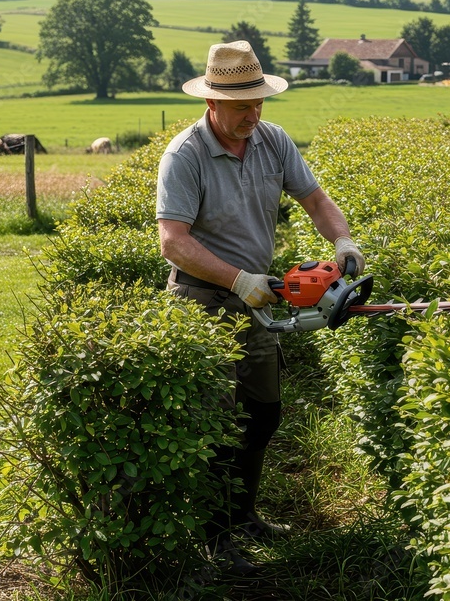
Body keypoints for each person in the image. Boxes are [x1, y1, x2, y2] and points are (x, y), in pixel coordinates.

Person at [156, 40, 365, 574]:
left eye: (259, 104)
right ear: (212, 103)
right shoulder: (185, 155)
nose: (253, 116)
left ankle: (243, 514)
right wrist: (235, 278)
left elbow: (315, 200)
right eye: (241, 107)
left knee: (263, 414)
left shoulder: (273, 141)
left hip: (257, 303)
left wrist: (341, 240)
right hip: (200, 301)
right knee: (214, 424)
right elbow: (173, 242)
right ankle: (214, 537)